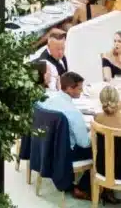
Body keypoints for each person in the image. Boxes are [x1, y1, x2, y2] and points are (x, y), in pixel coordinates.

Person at [38, 71, 93, 199]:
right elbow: (84, 143)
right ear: (69, 89)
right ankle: (82, 187)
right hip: (66, 153)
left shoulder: (46, 100)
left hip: (46, 146)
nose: (82, 91)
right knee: (102, 148)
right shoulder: (73, 112)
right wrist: (93, 131)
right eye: (79, 88)